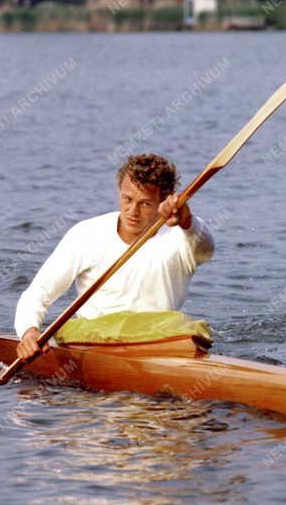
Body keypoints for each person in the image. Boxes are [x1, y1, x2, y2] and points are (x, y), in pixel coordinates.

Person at [14, 153, 215, 360]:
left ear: (164, 201)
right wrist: (29, 332)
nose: (132, 212)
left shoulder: (182, 236)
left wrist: (186, 220)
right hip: (94, 340)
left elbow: (205, 249)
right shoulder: (86, 233)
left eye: (145, 204)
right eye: (127, 199)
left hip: (158, 341)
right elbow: (38, 293)